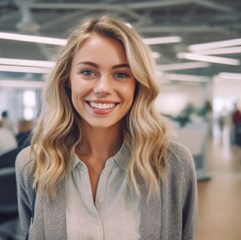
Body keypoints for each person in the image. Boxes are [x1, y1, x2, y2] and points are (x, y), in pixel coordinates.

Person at [16, 15, 198, 239]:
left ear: (138, 85)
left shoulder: (173, 164)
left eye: (121, 74)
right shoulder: (33, 163)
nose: (103, 88)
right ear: (67, 80)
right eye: (88, 72)